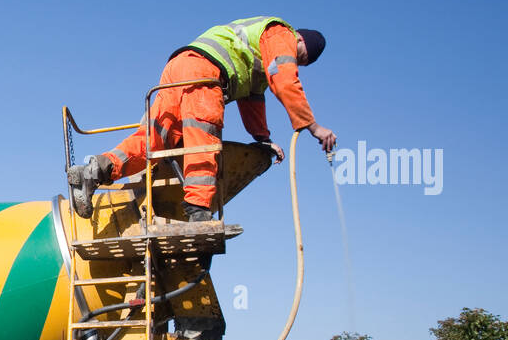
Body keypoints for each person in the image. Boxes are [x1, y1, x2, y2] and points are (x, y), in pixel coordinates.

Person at [68, 16, 337, 219]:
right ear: (300, 41)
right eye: (301, 58)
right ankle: (198, 210)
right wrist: (312, 126)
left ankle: (95, 171)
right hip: (204, 71)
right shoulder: (281, 34)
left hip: (178, 67)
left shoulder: (255, 62)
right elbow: (285, 79)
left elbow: (252, 101)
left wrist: (262, 139)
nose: (297, 63)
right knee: (203, 137)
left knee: (154, 140)